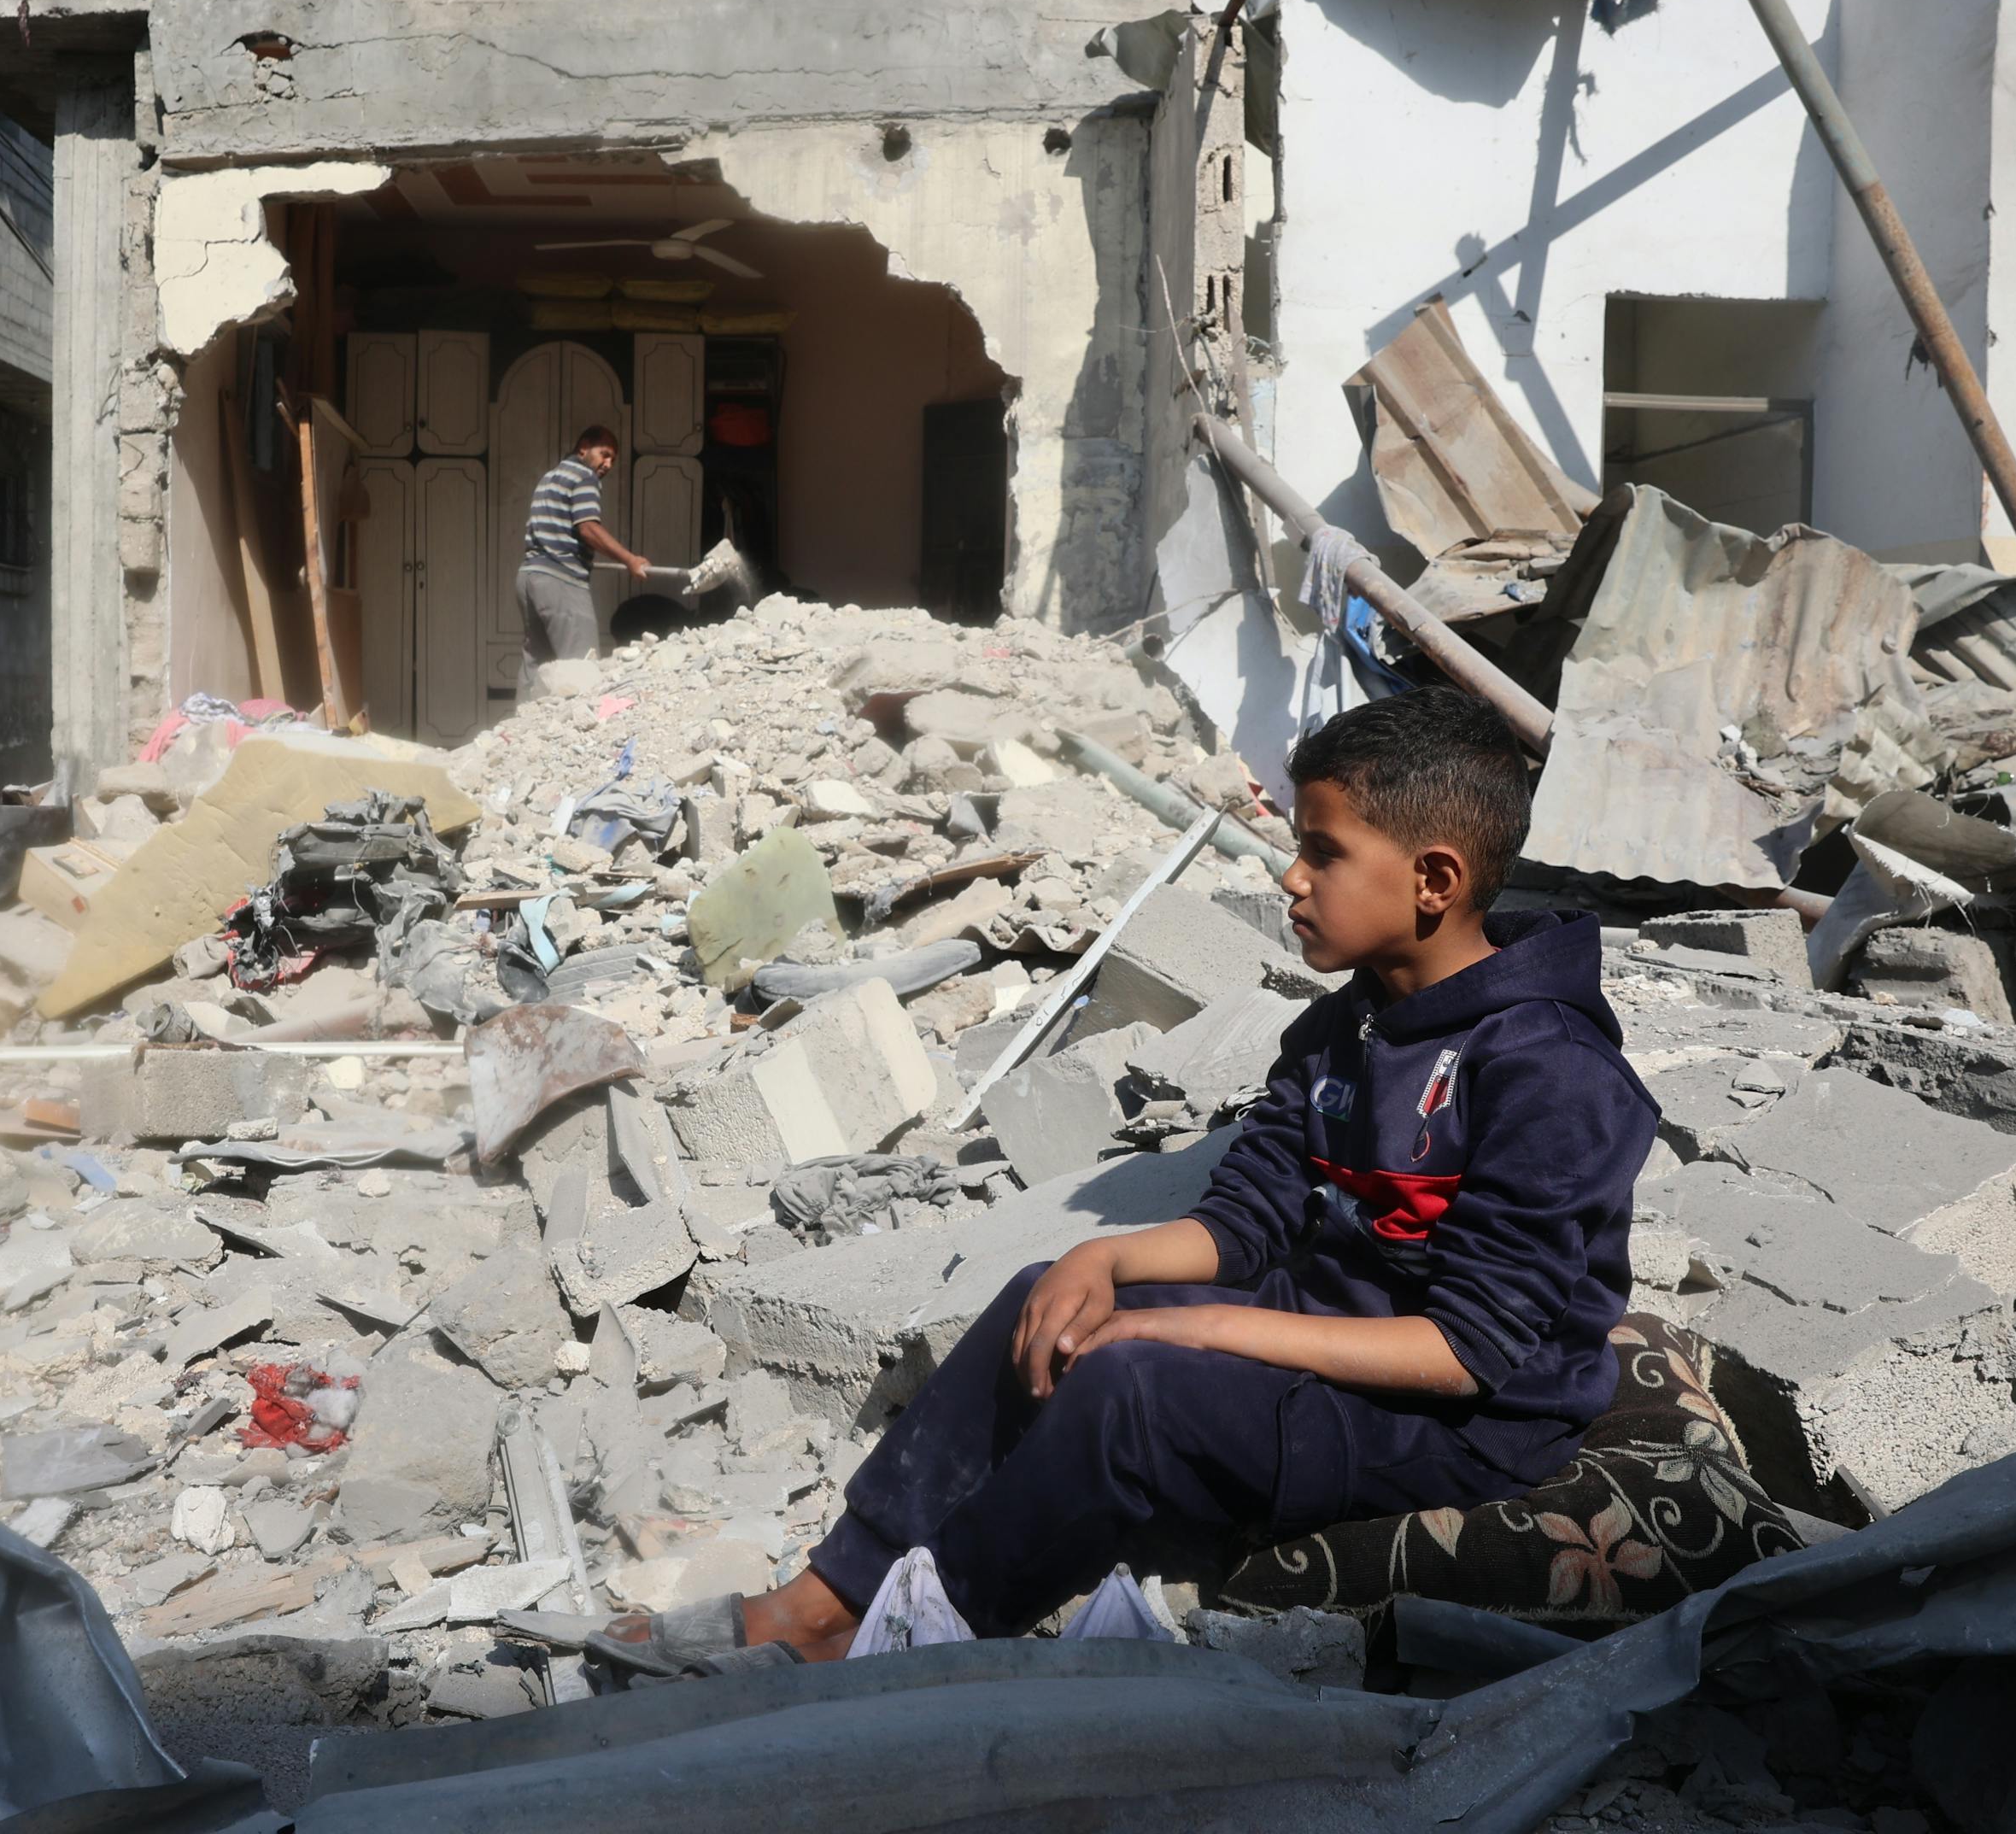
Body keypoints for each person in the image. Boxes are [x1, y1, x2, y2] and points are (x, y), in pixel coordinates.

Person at [600, 688, 1659, 1665]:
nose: (1290, 877)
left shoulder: (1550, 1074)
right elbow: (1247, 1220)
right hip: (1333, 1330)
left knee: (1132, 1385)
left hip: (1457, 1422)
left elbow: (1466, 1352)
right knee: (1046, 1304)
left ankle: (926, 1639)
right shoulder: (1353, 1021)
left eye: (1322, 853)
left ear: (1433, 879)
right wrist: (1102, 1256)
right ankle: (826, 1601)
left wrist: (1193, 1328)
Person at [516, 428, 648, 672]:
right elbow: (587, 528)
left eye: (613, 460)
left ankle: (527, 712)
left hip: (530, 579)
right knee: (582, 667)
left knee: (536, 668)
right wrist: (630, 560)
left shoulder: (550, 477)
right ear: (583, 448)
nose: (608, 464)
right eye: (604, 454)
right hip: (561, 580)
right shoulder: (585, 476)